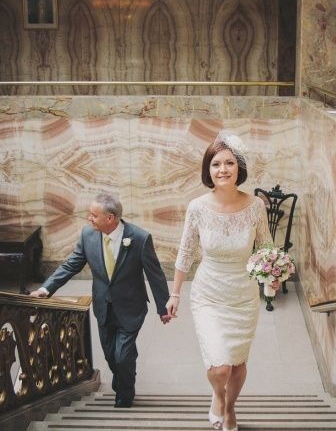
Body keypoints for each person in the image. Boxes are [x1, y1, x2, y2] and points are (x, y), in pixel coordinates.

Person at [166, 131, 277, 431]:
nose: (223, 170)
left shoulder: (256, 206)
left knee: (238, 363)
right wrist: (175, 294)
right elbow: (186, 252)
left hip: (243, 296)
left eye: (229, 163)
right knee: (220, 367)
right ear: (208, 170)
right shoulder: (197, 207)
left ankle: (229, 408)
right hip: (209, 295)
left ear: (239, 168)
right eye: (216, 164)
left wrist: (272, 277)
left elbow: (266, 247)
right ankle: (217, 394)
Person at [30, 192, 171, 408]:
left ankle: (125, 393)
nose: (89, 219)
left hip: (131, 307)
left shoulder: (140, 239)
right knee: (110, 356)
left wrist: (164, 307)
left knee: (123, 355)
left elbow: (156, 275)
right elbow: (71, 265)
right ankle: (123, 376)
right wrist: (46, 288)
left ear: (110, 218)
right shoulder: (88, 236)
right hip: (103, 306)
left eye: (94, 215)